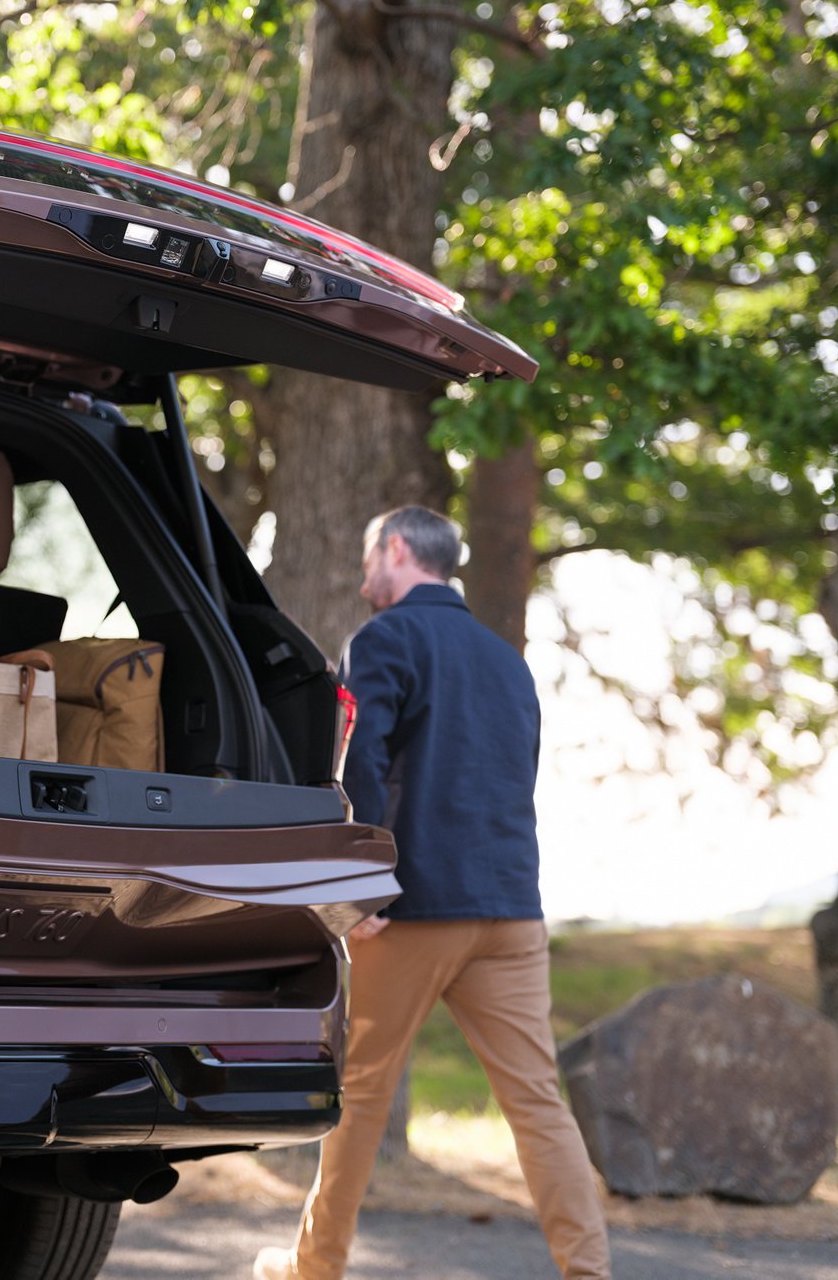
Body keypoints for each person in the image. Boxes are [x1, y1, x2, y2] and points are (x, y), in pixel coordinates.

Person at [256, 506, 610, 1280]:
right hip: (513, 908)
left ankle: (315, 1270)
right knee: (539, 1107)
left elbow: (363, 766)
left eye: (367, 558)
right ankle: (590, 1274)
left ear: (396, 550)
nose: (361, 579)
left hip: (413, 912)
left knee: (362, 1094)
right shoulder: (506, 658)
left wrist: (359, 893)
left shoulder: (384, 639)